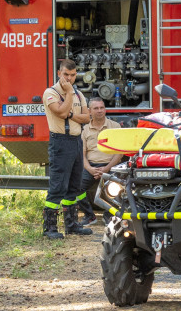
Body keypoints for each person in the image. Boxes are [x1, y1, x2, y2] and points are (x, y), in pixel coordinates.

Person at [42, 59, 93, 239]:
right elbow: (61, 112)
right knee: (58, 186)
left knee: (74, 186)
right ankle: (49, 228)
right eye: (66, 75)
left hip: (76, 141)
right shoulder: (51, 93)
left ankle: (71, 224)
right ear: (59, 73)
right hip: (60, 142)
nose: (69, 79)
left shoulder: (79, 95)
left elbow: (87, 118)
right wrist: (70, 94)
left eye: (72, 75)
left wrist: (73, 114)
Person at [78, 97, 122, 225]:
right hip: (91, 166)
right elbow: (82, 154)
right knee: (76, 188)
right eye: (96, 108)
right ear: (89, 111)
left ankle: (109, 215)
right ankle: (89, 215)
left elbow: (119, 153)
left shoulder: (115, 127)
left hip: (111, 167)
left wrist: (107, 168)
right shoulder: (85, 130)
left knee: (122, 187)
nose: (99, 111)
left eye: (102, 108)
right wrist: (90, 169)